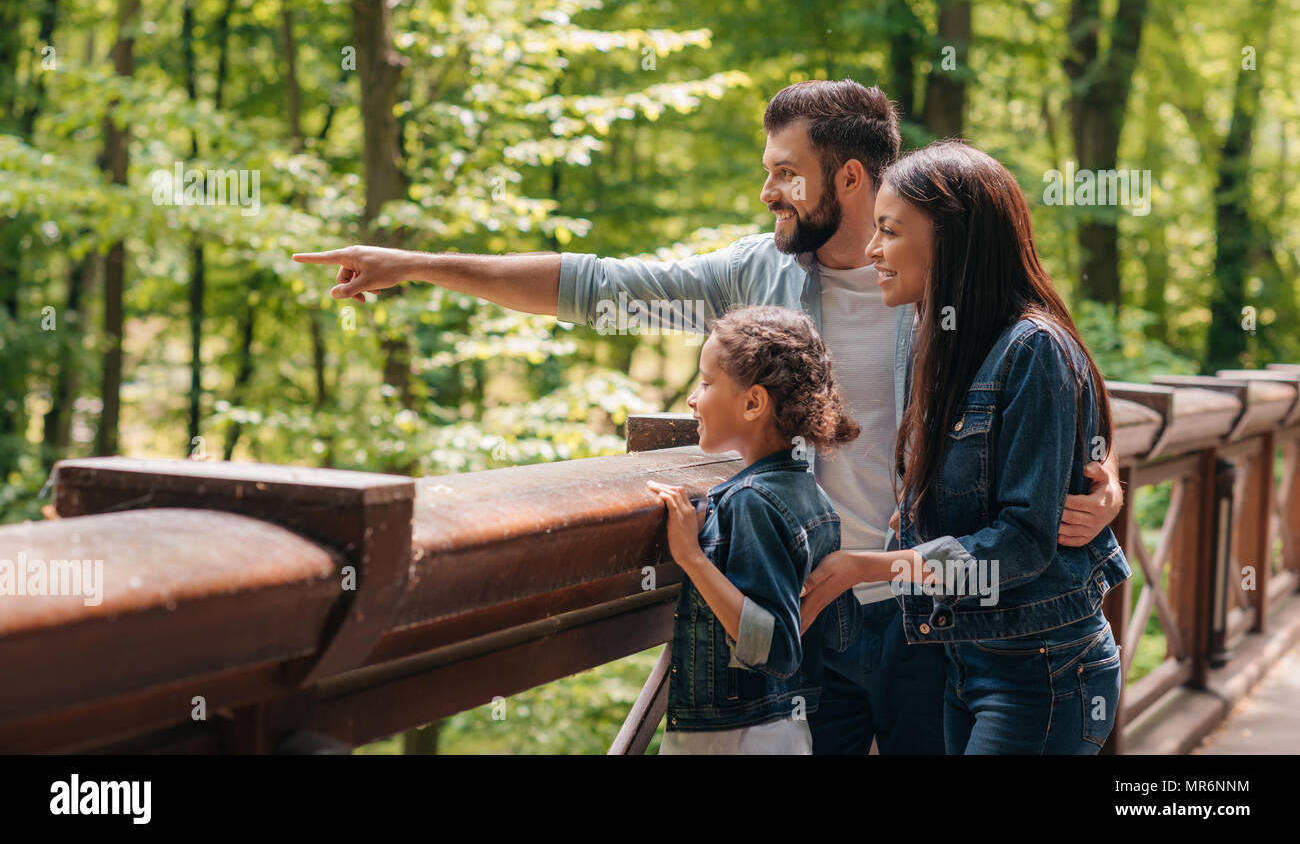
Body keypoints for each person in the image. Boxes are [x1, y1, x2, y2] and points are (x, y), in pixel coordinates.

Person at [292, 78, 1125, 754]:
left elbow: (1046, 379)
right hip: (810, 614)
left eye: (785, 171)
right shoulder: (754, 275)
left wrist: (1103, 478)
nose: (767, 190)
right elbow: (600, 288)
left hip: (938, 620)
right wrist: (421, 265)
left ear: (849, 178)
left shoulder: (941, 272)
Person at [799, 140, 1132, 753]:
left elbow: (1023, 544)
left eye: (889, 231)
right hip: (965, 657)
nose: (872, 250)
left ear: (951, 236)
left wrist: (869, 567)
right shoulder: (941, 337)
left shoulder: (1034, 348)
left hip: (1042, 667)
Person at [646, 305, 860, 753]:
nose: (692, 398)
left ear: (753, 402)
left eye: (705, 384)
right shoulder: (809, 493)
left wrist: (692, 557)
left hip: (734, 737)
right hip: (781, 730)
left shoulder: (751, 502)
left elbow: (776, 648)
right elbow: (838, 632)